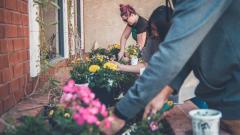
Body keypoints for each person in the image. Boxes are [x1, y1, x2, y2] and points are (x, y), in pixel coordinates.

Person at [101, 0, 240, 135]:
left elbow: (174, 52)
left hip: (233, 97)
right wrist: (164, 92)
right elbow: (188, 49)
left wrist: (121, 113)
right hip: (219, 99)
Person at [115, 6, 172, 74]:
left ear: (132, 15)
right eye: (124, 20)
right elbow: (124, 37)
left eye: (126, 20)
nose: (126, 22)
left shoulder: (142, 24)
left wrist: (128, 59)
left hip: (145, 53)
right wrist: (122, 51)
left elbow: (139, 47)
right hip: (146, 55)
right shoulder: (132, 23)